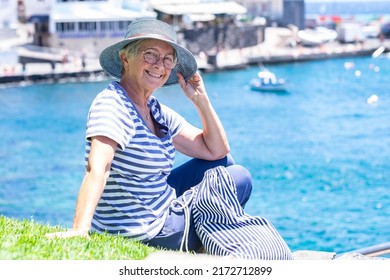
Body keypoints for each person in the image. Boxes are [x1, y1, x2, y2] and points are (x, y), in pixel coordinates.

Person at [46, 18, 291, 259]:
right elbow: (98, 167)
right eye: (150, 54)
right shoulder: (113, 105)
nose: (159, 65)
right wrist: (79, 229)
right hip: (146, 232)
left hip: (157, 207)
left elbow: (216, 151)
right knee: (241, 178)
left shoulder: (155, 110)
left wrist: (201, 100)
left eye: (167, 59)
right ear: (125, 58)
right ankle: (210, 240)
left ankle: (207, 237)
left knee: (224, 165)